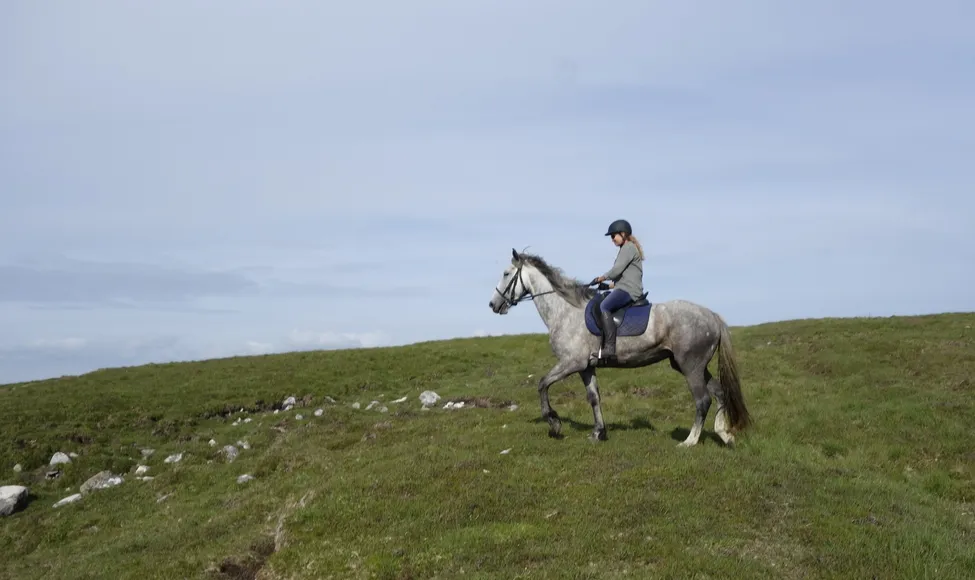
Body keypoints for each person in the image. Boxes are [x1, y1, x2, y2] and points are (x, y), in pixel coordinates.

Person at [590, 219, 645, 364]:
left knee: (604, 306)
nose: (612, 239)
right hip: (624, 287)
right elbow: (623, 278)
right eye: (611, 237)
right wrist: (607, 287)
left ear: (623, 234)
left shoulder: (628, 248)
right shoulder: (626, 249)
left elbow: (616, 270)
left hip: (629, 291)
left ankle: (609, 348)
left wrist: (602, 278)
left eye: (614, 236)